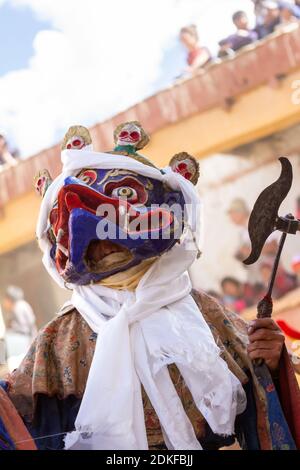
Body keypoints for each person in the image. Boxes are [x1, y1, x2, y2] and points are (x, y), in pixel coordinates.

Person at [0, 123, 299, 450]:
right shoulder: (60, 338)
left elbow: (256, 393)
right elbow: (20, 423)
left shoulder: (201, 312)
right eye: (93, 243)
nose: (104, 246)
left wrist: (270, 361)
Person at [2, 286, 37, 370]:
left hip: (26, 341)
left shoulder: (18, 307)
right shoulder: (23, 304)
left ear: (9, 299)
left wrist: (10, 330)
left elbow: (24, 328)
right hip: (30, 338)